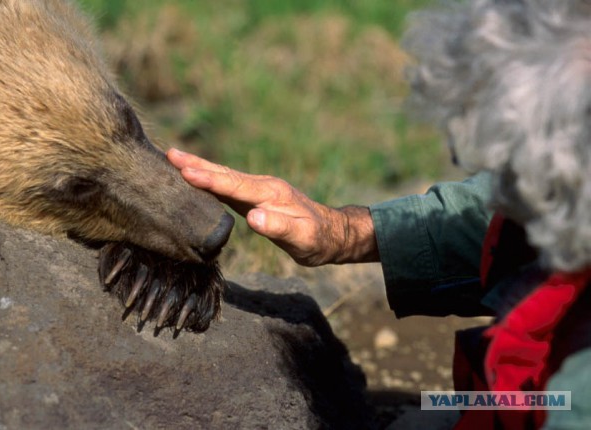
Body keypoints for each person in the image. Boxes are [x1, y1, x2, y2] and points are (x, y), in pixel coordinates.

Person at [167, 0, 591, 428]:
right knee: (425, 417)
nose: (502, 188)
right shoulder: (564, 192)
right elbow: (507, 215)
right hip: (511, 403)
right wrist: (343, 232)